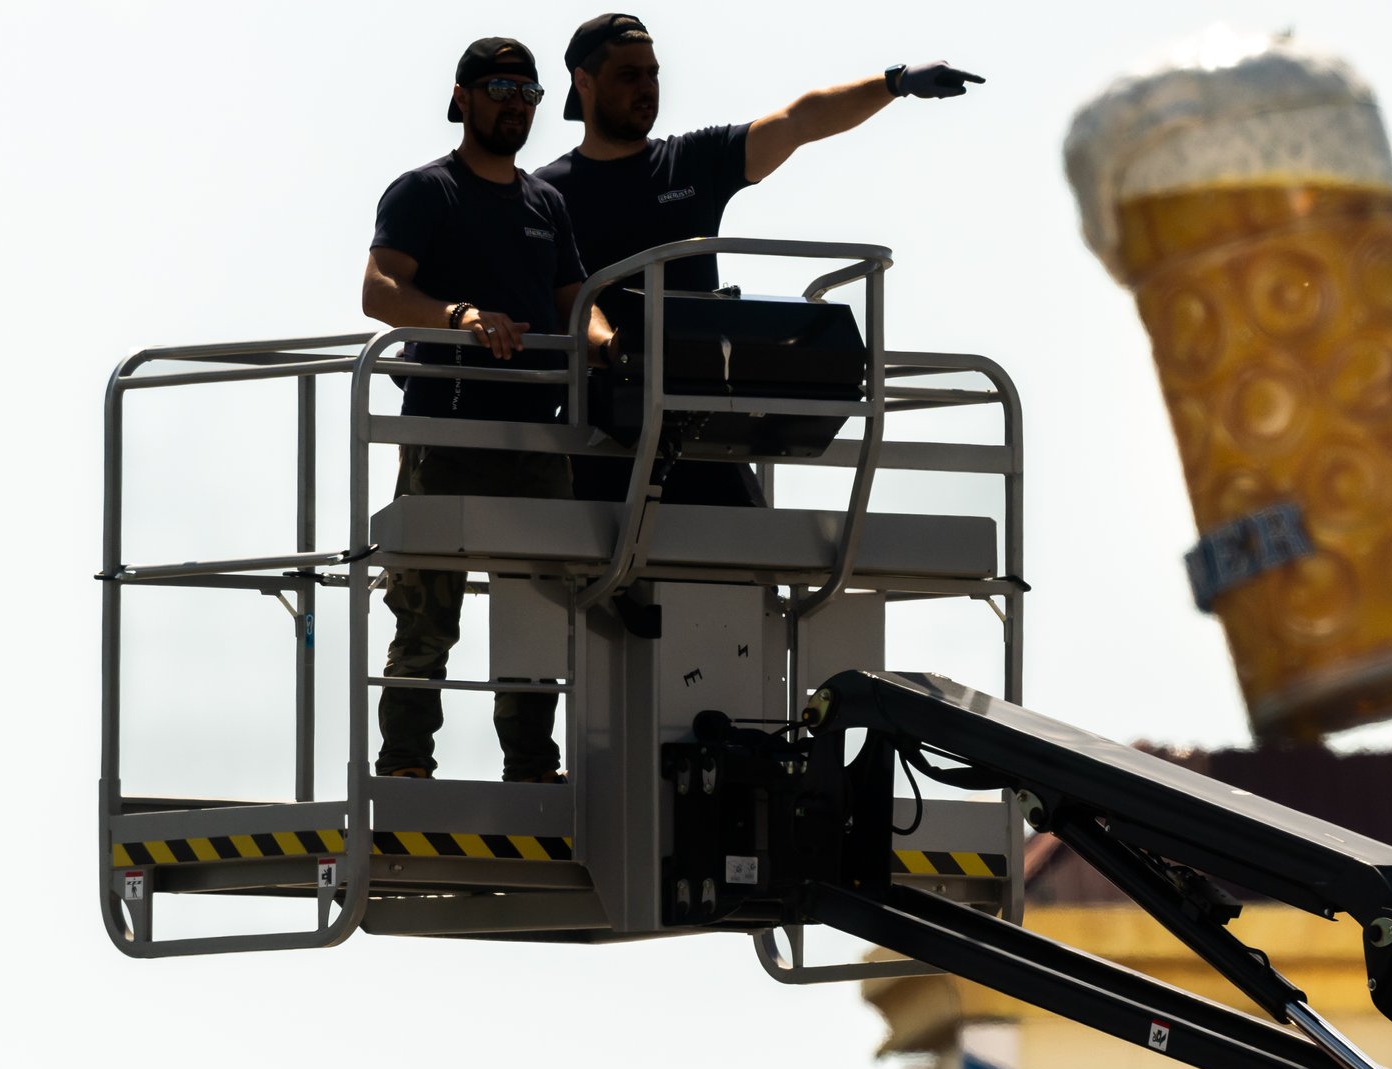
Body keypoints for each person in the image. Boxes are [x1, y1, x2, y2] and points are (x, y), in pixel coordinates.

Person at [535, 13, 983, 504]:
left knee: (749, 564)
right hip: (599, 428)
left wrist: (894, 83)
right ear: (584, 81)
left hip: (701, 425)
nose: (647, 88)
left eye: (653, 73)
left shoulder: (693, 161)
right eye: (628, 75)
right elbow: (558, 301)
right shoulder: (547, 193)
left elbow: (800, 121)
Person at [361, 36, 615, 782]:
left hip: (538, 436)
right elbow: (379, 291)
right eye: (501, 90)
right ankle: (406, 763)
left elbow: (578, 308)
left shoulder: (546, 203)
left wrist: (612, 343)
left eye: (529, 94)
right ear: (463, 97)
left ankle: (533, 766)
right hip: (447, 429)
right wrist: (461, 316)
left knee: (539, 608)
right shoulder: (425, 192)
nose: (516, 107)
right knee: (426, 606)